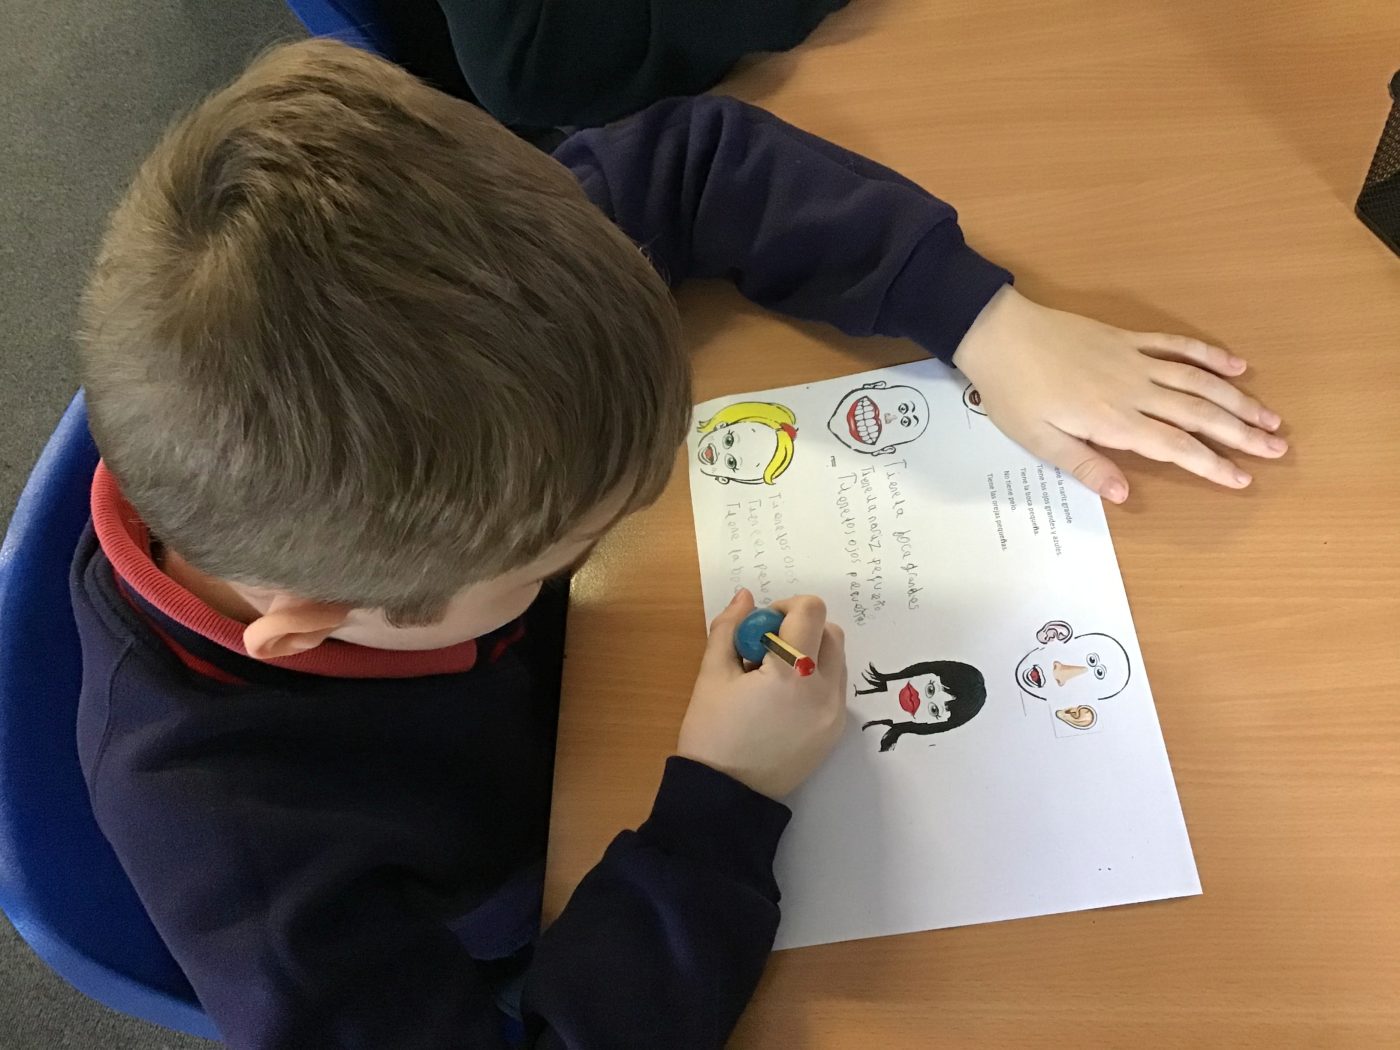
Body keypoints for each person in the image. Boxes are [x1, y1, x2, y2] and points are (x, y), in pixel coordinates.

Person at [72, 40, 1284, 1048]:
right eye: (555, 557)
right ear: (310, 630)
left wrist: (981, 323)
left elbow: (692, 161)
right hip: (555, 898)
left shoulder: (457, 313)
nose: (592, 546)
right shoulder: (236, 844)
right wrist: (722, 799)